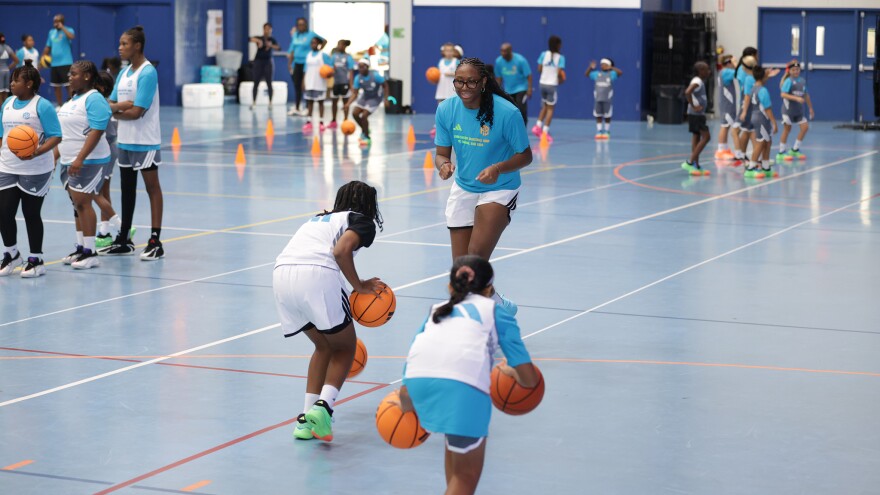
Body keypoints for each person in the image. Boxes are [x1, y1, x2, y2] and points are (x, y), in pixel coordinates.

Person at [398, 255, 538, 495]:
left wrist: (406, 401)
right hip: (463, 389)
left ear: (450, 286)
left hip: (416, 385)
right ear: (490, 289)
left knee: (455, 466)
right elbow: (529, 379)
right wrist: (508, 371)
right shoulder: (496, 312)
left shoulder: (436, 311)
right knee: (466, 477)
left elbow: (412, 364)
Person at [272, 180, 385, 442]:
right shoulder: (361, 221)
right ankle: (324, 409)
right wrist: (359, 286)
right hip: (316, 276)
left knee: (324, 347)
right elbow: (340, 251)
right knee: (346, 348)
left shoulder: (318, 219)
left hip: (281, 276)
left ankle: (305, 420)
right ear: (369, 205)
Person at [434, 57, 531, 314]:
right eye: (459, 81)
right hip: (464, 186)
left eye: (471, 81)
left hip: (500, 187)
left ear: (484, 82)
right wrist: (443, 165)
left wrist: (498, 168)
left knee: (474, 260)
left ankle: (481, 321)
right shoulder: (446, 109)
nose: (464, 87)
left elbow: (525, 156)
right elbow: (441, 153)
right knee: (461, 268)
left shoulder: (507, 113)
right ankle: (499, 306)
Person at [101, 26, 164, 260]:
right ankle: (125, 238)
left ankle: (155, 241)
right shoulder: (124, 72)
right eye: (120, 43)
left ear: (137, 45)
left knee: (152, 188)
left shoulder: (148, 73)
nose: (120, 47)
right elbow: (111, 103)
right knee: (127, 189)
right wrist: (120, 107)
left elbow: (137, 111)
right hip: (124, 141)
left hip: (145, 142)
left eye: (124, 43)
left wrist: (119, 109)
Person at [0, 61, 62, 277]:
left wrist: (36, 152)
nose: (12, 84)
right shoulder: (6, 104)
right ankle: (11, 253)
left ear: (29, 84)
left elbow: (56, 136)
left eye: (16, 80)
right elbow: (3, 136)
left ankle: (36, 259)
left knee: (30, 213)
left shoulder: (42, 105)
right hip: (7, 166)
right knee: (4, 212)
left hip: (35, 168)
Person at [56, 60, 112, 270]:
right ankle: (81, 247)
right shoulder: (72, 100)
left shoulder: (94, 98)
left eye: (74, 74)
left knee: (83, 203)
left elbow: (97, 131)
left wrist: (80, 158)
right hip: (68, 159)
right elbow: (63, 133)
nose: (69, 77)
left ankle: (91, 252)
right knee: (76, 205)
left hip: (90, 160)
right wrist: (54, 157)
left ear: (87, 76)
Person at [93, 70, 126, 249]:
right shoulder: (107, 103)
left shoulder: (101, 104)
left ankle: (121, 226)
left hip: (105, 148)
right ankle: (104, 231)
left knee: (95, 192)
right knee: (104, 190)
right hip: (111, 147)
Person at [344, 58, 388, 147]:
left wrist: (386, 99)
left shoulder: (375, 76)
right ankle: (365, 129)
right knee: (355, 113)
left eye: (362, 67)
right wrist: (348, 103)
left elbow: (385, 85)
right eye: (359, 67)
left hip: (375, 98)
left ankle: (367, 137)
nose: (360, 69)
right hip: (365, 97)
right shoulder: (358, 78)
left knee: (364, 116)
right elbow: (355, 93)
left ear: (367, 67)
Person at [286, 17, 325, 117]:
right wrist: (289, 64)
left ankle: (308, 108)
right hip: (296, 63)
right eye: (299, 24)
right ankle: (297, 107)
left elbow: (324, 41)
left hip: (307, 64)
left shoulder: (311, 34)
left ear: (306, 25)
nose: (301, 26)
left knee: (306, 86)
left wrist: (318, 51)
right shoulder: (295, 35)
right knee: (297, 86)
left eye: (303, 24)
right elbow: (292, 50)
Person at [777, 60, 814, 162]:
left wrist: (811, 108)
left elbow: (806, 95)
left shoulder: (802, 81)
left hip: (798, 111)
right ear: (789, 71)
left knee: (804, 127)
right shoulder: (788, 81)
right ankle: (781, 152)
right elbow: (783, 94)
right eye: (794, 69)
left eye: (797, 69)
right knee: (787, 129)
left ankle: (795, 149)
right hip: (788, 111)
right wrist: (796, 98)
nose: (796, 71)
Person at [745, 66, 778, 179]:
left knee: (767, 142)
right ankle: (751, 168)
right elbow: (767, 108)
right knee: (761, 142)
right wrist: (774, 122)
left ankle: (766, 167)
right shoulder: (763, 90)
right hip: (762, 118)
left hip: (755, 116)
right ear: (764, 76)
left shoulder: (754, 87)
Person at [532, 35, 565, 143]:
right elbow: (560, 73)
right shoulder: (560, 57)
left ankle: (537, 126)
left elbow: (539, 69)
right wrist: (561, 79)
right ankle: (545, 133)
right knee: (551, 109)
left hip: (542, 83)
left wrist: (546, 73)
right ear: (558, 45)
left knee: (545, 106)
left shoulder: (543, 54)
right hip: (551, 84)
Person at [681, 62, 711, 176]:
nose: (709, 71)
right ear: (700, 71)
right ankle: (690, 162)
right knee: (706, 137)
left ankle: (696, 166)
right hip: (696, 115)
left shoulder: (698, 81)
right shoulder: (697, 81)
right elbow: (687, 92)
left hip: (695, 115)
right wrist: (694, 106)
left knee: (697, 137)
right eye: (707, 69)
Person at [42, 14, 76, 106]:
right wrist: (42, 57)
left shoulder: (68, 30)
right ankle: (60, 105)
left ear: (62, 22)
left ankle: (72, 104)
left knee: (68, 85)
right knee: (56, 86)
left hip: (66, 63)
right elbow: (48, 47)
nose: (55, 24)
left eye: (57, 22)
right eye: (54, 22)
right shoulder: (51, 32)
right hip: (54, 64)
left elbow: (71, 37)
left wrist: (63, 28)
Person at [494, 43, 532, 125]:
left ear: (510, 51)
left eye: (505, 51)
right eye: (501, 51)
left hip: (521, 89)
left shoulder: (520, 60)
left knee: (521, 110)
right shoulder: (499, 61)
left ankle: (523, 127)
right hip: (508, 90)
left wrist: (529, 89)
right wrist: (497, 90)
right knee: (510, 111)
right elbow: (499, 78)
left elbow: (528, 75)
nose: (502, 53)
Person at [586, 58, 622, 140]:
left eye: (605, 64)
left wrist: (611, 68)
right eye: (601, 64)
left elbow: (620, 73)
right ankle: (599, 131)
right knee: (598, 115)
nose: (602, 66)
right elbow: (587, 74)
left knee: (607, 115)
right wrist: (590, 68)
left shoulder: (611, 74)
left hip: (607, 99)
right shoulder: (596, 74)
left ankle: (607, 131)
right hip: (598, 99)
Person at [301, 36, 331, 133]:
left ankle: (321, 122)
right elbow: (305, 70)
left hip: (320, 82)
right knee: (310, 102)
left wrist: (328, 74)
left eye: (315, 43)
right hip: (309, 82)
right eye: (312, 43)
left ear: (318, 44)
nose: (313, 44)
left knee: (320, 102)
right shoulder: (308, 55)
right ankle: (309, 121)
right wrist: (303, 81)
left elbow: (330, 68)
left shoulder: (323, 55)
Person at [430, 43, 459, 139]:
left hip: (451, 90)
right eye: (447, 50)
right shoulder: (441, 62)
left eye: (451, 50)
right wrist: (434, 79)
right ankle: (439, 127)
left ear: (454, 52)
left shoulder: (456, 62)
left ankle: (453, 128)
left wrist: (451, 74)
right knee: (440, 109)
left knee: (452, 110)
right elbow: (437, 74)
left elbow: (460, 73)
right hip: (441, 89)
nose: (449, 52)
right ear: (443, 52)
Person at [249, 23, 280, 109]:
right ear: (263, 29)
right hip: (258, 62)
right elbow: (249, 39)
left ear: (271, 30)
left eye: (269, 29)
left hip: (268, 62)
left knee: (269, 83)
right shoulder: (260, 38)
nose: (267, 30)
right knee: (256, 83)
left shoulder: (272, 40)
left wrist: (271, 45)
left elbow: (278, 47)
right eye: (266, 29)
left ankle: (270, 103)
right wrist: (257, 41)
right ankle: (254, 102)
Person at [714, 54, 737, 160]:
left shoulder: (722, 72)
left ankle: (724, 148)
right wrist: (737, 65)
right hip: (727, 103)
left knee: (726, 126)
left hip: (725, 103)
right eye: (732, 61)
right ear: (728, 63)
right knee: (725, 126)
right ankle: (720, 150)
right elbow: (739, 73)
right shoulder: (726, 72)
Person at [328, 39, 355, 129]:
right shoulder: (334, 56)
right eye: (338, 44)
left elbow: (351, 72)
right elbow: (330, 70)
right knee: (334, 102)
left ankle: (345, 119)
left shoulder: (348, 57)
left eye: (341, 45)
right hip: (336, 83)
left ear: (344, 46)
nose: (339, 46)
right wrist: (332, 71)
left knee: (345, 103)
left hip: (345, 83)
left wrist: (351, 85)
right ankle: (334, 120)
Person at [0, 33, 20, 106]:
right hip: (6, 72)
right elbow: (16, 60)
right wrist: (7, 68)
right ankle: (6, 109)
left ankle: (2, 112)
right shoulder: (7, 47)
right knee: (5, 92)